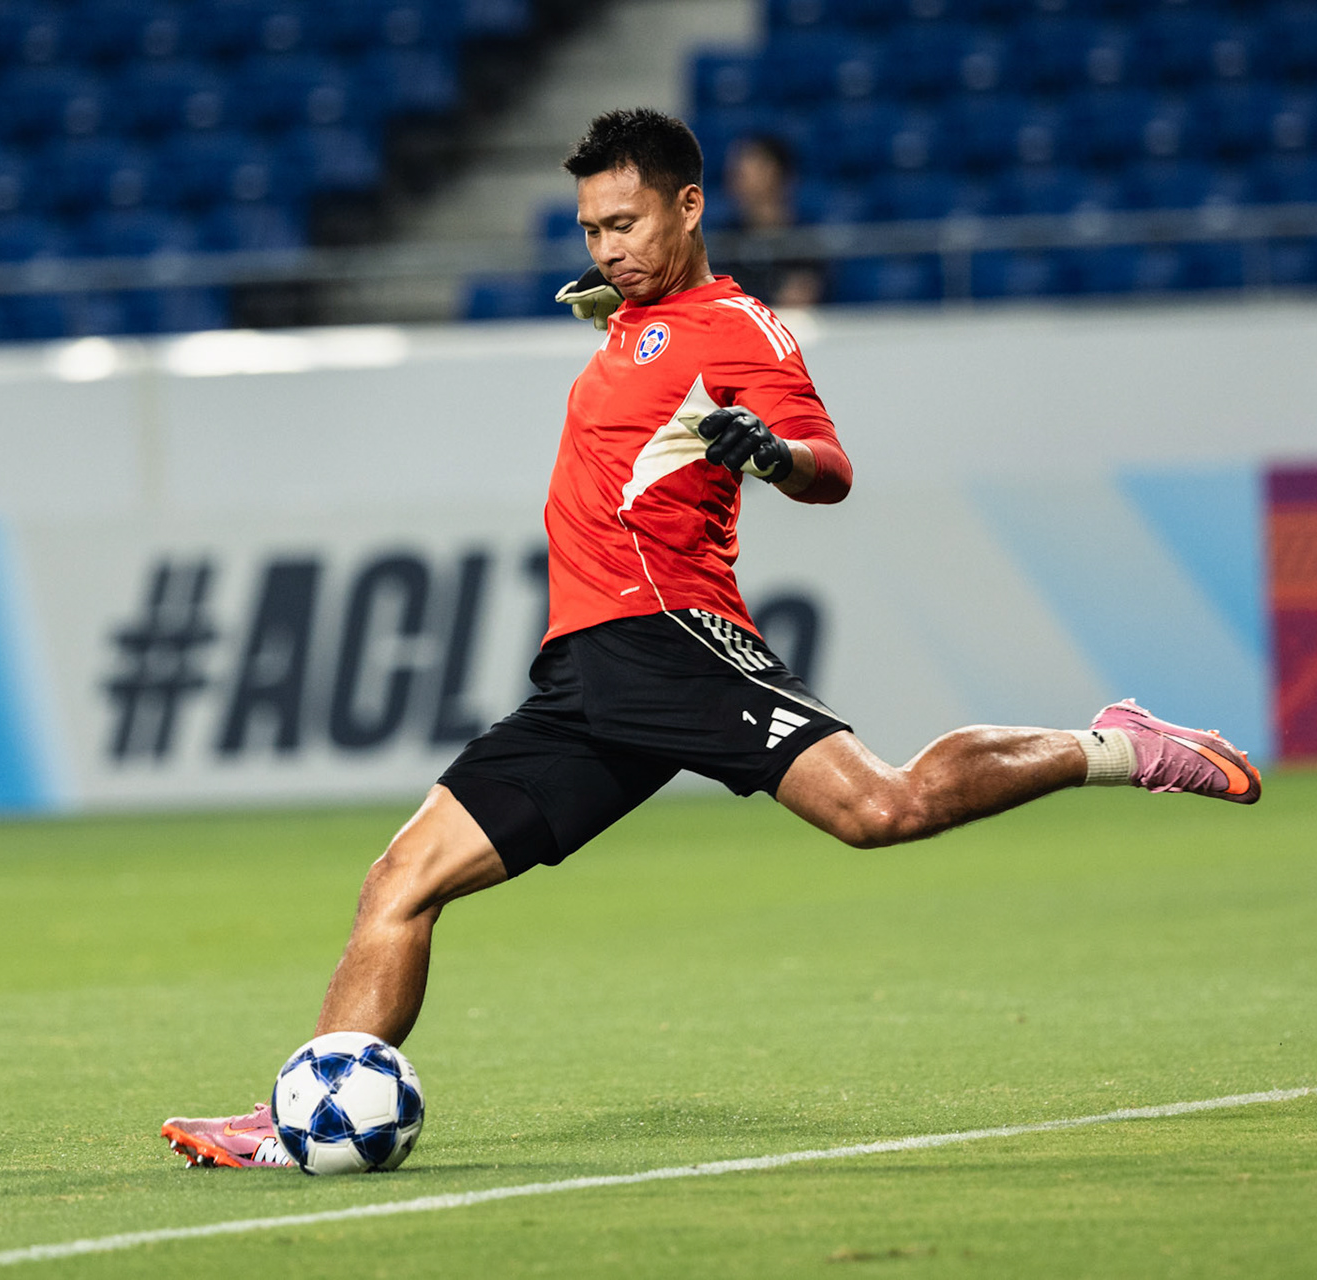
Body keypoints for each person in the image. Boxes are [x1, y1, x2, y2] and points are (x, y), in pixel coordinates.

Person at [161, 109, 1261, 1169]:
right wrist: (623, 308)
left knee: (883, 810)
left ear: (689, 206)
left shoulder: (740, 327)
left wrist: (769, 452)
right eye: (591, 229)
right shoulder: (631, 313)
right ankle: (293, 1117)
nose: (607, 248)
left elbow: (831, 467)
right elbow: (640, 340)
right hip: (586, 676)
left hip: (674, 635)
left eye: (627, 223)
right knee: (399, 880)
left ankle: (1116, 743)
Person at [718, 134, 825, 309]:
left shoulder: (805, 238)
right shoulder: (725, 238)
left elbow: (805, 291)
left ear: (774, 171)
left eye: (746, 169)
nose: (736, 176)